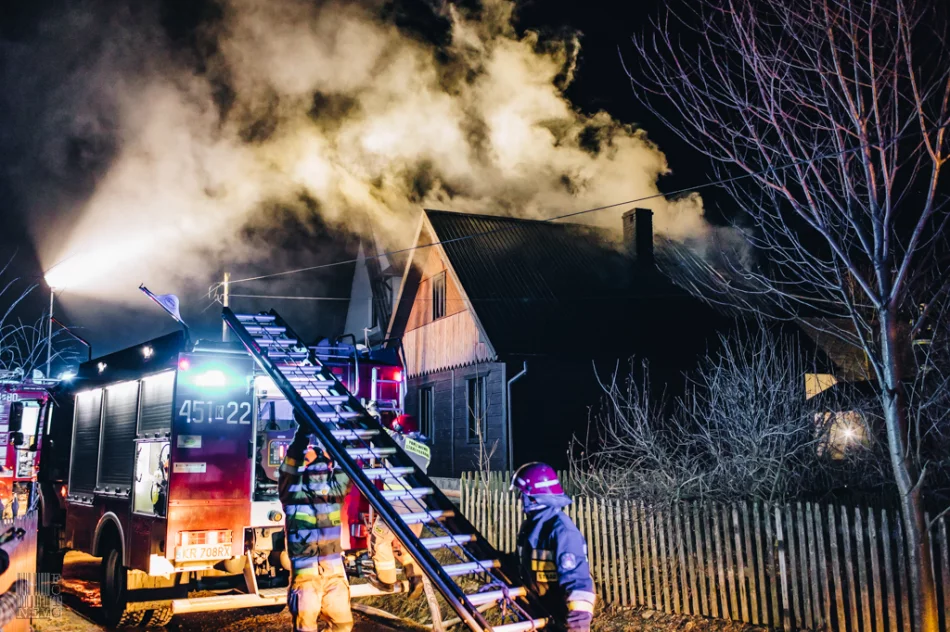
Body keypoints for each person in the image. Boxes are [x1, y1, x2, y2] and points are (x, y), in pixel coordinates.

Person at [280, 414, 354, 632]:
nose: (319, 471)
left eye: (323, 466)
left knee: (343, 625)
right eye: (315, 465)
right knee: (306, 627)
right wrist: (303, 433)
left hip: (334, 573)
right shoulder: (292, 492)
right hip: (306, 576)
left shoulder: (334, 493)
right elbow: (290, 465)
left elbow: (346, 464)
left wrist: (341, 436)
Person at [510, 462, 596, 632]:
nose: (520, 498)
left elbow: (577, 581)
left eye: (523, 494)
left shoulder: (562, 531)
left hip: (559, 618)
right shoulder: (530, 527)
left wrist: (578, 623)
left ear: (534, 497)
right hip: (535, 610)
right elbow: (522, 563)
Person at [368, 414, 430, 597]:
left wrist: (373, 418)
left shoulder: (400, 442)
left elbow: (383, 435)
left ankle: (386, 581)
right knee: (406, 545)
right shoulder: (425, 448)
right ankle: (415, 577)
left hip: (397, 504)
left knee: (379, 540)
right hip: (418, 506)